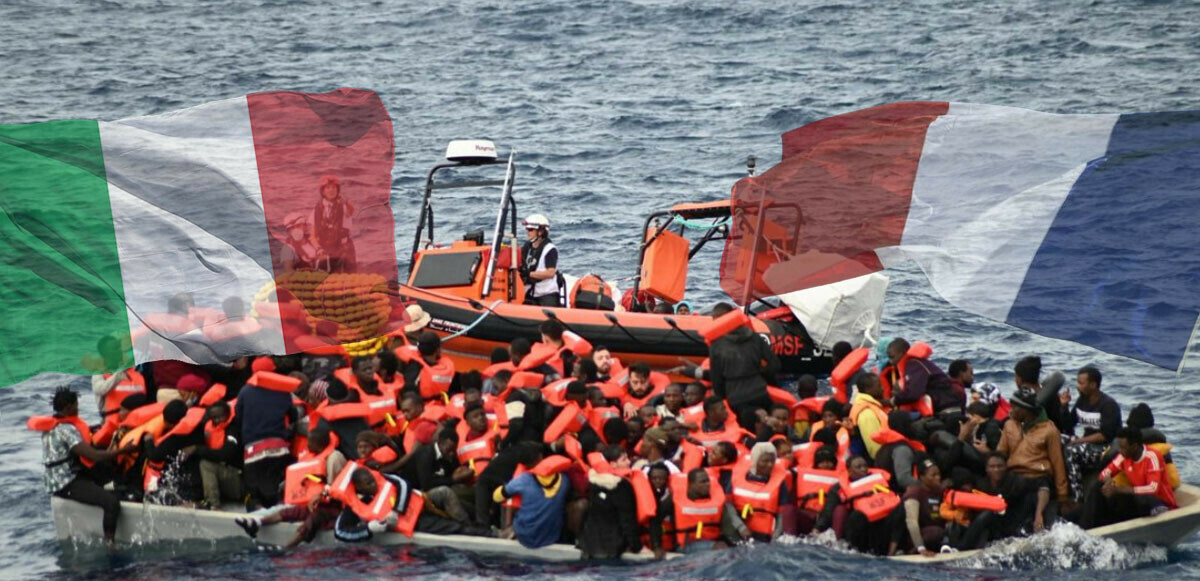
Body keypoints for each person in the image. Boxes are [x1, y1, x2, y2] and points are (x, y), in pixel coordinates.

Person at [31, 388, 134, 545]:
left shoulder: (51, 426)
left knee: (109, 483)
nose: (78, 409)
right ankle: (110, 544)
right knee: (111, 502)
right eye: (76, 405)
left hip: (55, 479)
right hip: (66, 483)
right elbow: (94, 456)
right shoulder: (66, 430)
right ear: (68, 407)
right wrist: (124, 450)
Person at [996, 390, 1068, 525]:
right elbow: (1001, 454)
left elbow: (1058, 464)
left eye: (1015, 407)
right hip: (1014, 477)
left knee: (1038, 487)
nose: (1011, 410)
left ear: (1025, 410)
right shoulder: (1009, 425)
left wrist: (1062, 496)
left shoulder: (1049, 430)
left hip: (1038, 477)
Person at [1080, 427, 1176, 528]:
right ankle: (1087, 527)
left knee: (1140, 500)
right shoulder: (1124, 456)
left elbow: (1153, 488)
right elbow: (1104, 473)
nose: (1120, 451)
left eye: (1123, 447)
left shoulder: (1151, 456)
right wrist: (1108, 481)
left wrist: (1119, 490)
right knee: (1098, 487)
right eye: (1119, 447)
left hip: (1156, 501)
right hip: (1135, 497)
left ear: (1134, 447)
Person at [707, 302, 780, 430]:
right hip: (760, 391)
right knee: (768, 427)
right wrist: (760, 375)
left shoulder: (716, 345)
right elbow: (775, 365)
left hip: (736, 398)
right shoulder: (754, 337)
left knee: (746, 431)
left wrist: (724, 397)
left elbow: (716, 380)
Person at [235, 371, 300, 508]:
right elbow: (293, 415)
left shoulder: (245, 391)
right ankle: (275, 512)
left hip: (253, 449)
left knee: (254, 493)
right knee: (274, 487)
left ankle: (259, 513)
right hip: (278, 447)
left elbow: (238, 417)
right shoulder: (283, 392)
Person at [1063, 366, 1121, 501]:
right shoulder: (1081, 402)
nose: (1078, 386)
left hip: (1104, 450)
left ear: (1093, 385)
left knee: (1071, 451)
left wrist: (1079, 441)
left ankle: (1078, 496)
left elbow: (1104, 435)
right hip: (1086, 444)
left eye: (1081, 383)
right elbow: (1068, 425)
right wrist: (1064, 406)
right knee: (1058, 439)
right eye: (1078, 382)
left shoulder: (1108, 405)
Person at [494, 455, 574, 548]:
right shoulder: (565, 481)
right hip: (551, 537)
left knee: (511, 496)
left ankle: (507, 530)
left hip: (524, 537)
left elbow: (496, 497)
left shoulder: (523, 479)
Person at [889, 459, 946, 557]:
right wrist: (921, 548)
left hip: (935, 530)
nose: (938, 478)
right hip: (914, 536)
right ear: (922, 477)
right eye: (933, 475)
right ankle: (911, 551)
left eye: (939, 474)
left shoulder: (940, 490)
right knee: (936, 532)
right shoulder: (914, 492)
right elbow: (912, 522)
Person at [311, 174, 356, 273]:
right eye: (327, 188)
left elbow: (351, 211)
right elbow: (312, 235)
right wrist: (318, 249)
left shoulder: (343, 206)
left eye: (333, 187)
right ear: (322, 191)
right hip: (325, 251)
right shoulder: (317, 209)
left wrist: (346, 202)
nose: (331, 190)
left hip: (344, 250)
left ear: (338, 189)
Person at [520, 213, 563, 306]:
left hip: (546, 294)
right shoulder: (527, 247)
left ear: (540, 232)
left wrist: (529, 274)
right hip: (529, 292)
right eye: (526, 229)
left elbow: (550, 273)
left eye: (530, 229)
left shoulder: (550, 249)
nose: (527, 232)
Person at [849, 373, 889, 460]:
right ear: (867, 390)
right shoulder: (866, 413)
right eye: (879, 386)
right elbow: (874, 447)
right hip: (880, 460)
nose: (882, 389)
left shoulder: (871, 406)